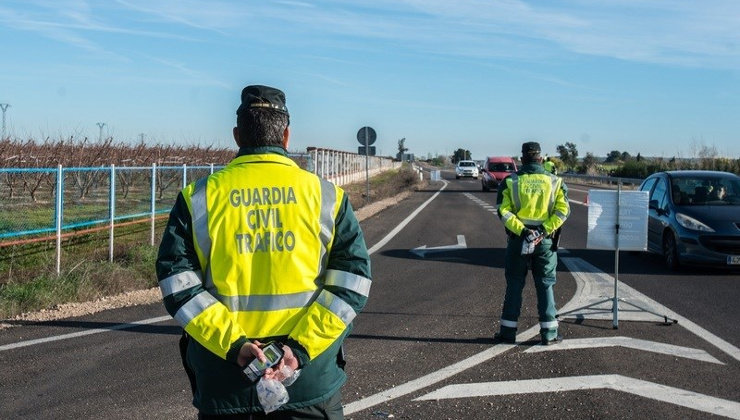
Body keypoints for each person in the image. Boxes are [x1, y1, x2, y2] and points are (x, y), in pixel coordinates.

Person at [156, 84, 372, 418]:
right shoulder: (327, 197)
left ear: (237, 136)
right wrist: (298, 349)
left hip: (226, 379)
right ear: (286, 136)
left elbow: (178, 286)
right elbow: (352, 283)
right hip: (306, 379)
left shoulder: (197, 198)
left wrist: (234, 346)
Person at [494, 142, 570, 345]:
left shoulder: (511, 181)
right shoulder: (555, 182)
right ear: (541, 158)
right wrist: (543, 231)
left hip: (519, 240)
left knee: (514, 284)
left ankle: (508, 333)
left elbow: (503, 211)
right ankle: (549, 334)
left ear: (522, 159)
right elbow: (563, 211)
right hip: (544, 241)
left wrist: (524, 231)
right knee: (545, 285)